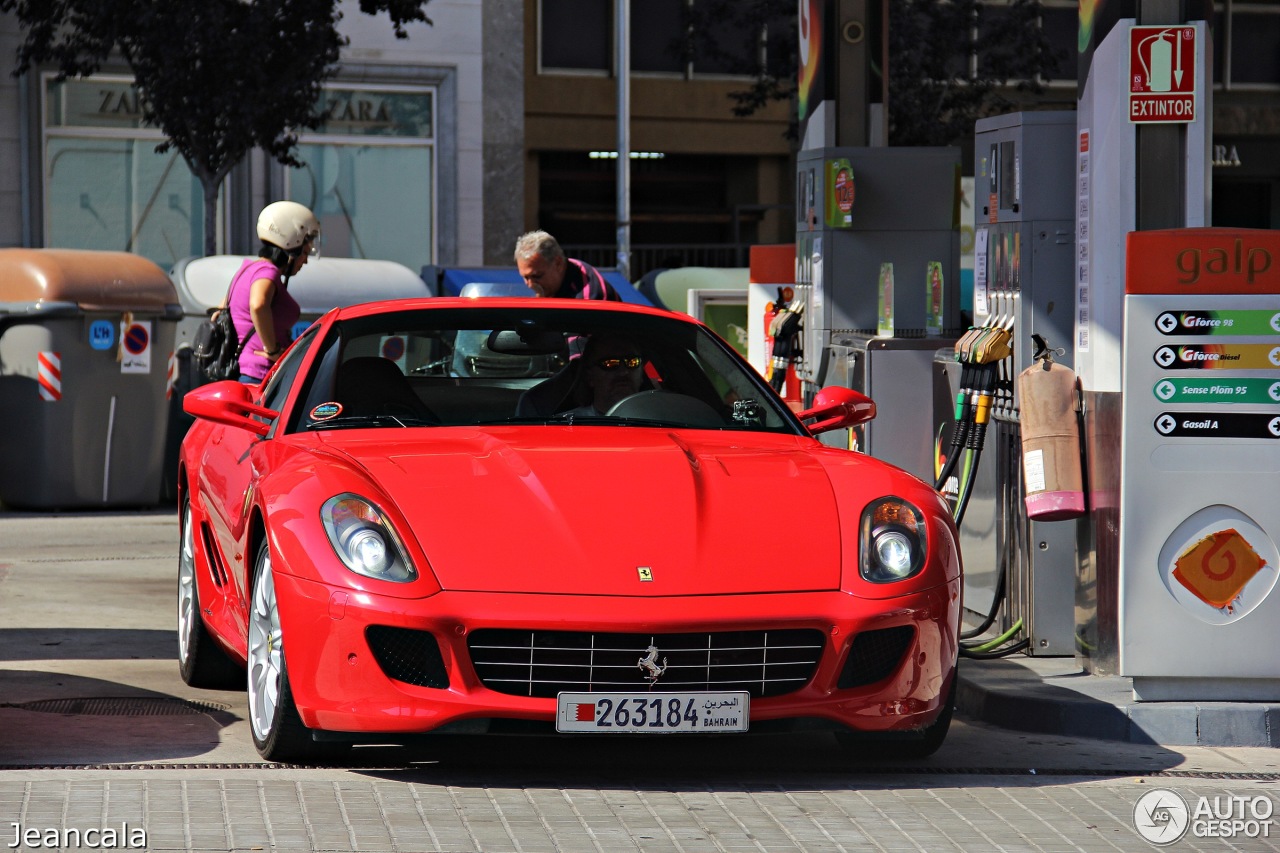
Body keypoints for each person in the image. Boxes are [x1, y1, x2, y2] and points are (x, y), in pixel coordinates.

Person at [220, 201, 320, 383]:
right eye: (304, 253)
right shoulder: (268, 272)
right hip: (261, 374)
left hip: (248, 372)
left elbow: (220, 311)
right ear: (292, 246)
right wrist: (272, 351)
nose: (305, 261)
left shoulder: (246, 270)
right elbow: (258, 305)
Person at [513, 230, 621, 301]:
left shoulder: (587, 296)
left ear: (558, 263)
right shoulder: (565, 268)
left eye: (537, 276)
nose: (530, 285)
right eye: (525, 277)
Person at [561, 334, 647, 417]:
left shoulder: (658, 419)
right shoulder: (568, 426)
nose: (623, 372)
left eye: (632, 362)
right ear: (590, 376)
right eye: (610, 363)